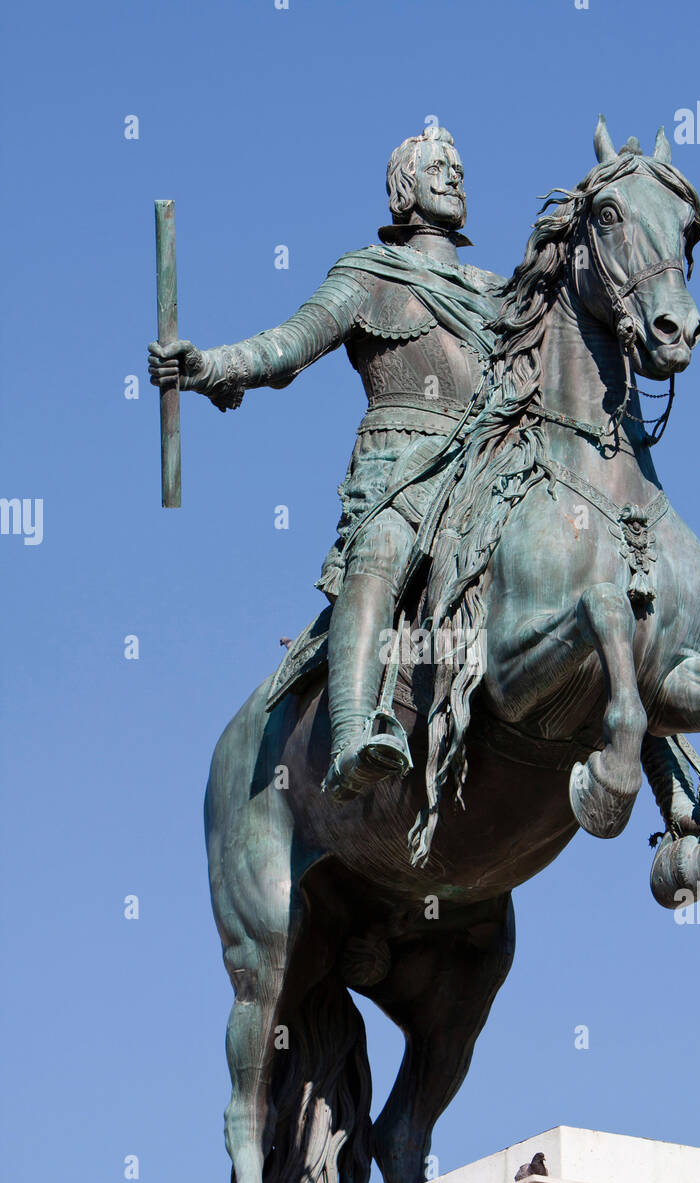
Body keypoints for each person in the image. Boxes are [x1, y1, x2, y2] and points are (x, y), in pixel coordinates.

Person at [149, 125, 502, 800]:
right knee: (382, 553)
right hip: (402, 469)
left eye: (459, 168)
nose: (454, 177)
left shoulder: (498, 291)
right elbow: (289, 346)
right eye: (437, 167)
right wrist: (209, 366)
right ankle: (350, 736)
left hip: (487, 466)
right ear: (404, 188)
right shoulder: (369, 274)